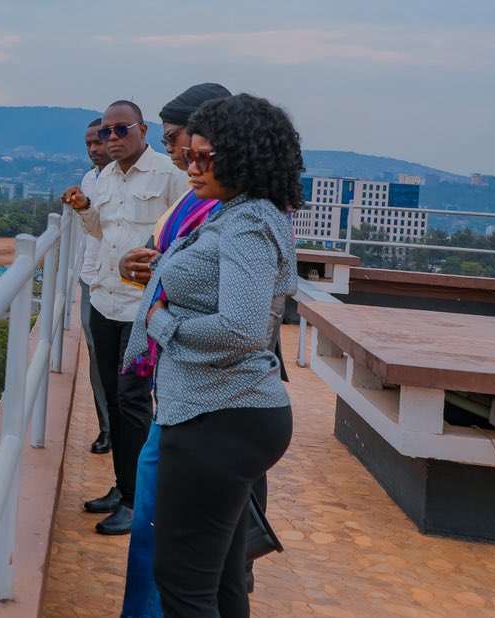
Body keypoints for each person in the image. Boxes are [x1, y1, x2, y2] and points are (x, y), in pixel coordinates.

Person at [123, 94, 302, 616]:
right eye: (190, 153)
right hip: (226, 413)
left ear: (244, 158)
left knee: (182, 583)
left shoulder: (246, 225)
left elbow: (241, 329)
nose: (190, 165)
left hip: (217, 417)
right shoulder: (239, 213)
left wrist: (160, 320)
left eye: (206, 157)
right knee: (220, 580)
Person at [117, 82, 233, 618]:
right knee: (215, 558)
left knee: (168, 540)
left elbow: (242, 323)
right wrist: (145, 268)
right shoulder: (203, 195)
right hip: (187, 389)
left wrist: (158, 314)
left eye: (179, 140)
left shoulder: (243, 214)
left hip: (209, 397)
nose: (179, 155)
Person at [62, 100, 189, 535]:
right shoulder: (105, 178)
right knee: (114, 401)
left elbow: (188, 239)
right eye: (104, 133)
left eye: (120, 131)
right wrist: (84, 209)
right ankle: (122, 486)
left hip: (142, 310)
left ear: (143, 130)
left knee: (134, 401)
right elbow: (105, 232)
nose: (110, 139)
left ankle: (138, 502)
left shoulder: (170, 176)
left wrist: (160, 276)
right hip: (104, 301)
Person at [78, 118, 114, 455]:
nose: (94, 149)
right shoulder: (89, 178)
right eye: (89, 143)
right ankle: (108, 428)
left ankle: (132, 424)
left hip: (123, 281)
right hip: (90, 278)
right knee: (96, 357)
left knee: (129, 359)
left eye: (99, 142)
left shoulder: (132, 179)